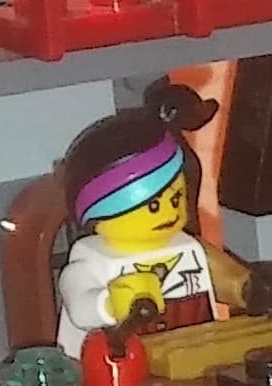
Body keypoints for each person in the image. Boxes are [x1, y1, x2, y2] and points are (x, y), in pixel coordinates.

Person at [52, 84, 239, 354]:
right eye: (153, 206)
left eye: (176, 199)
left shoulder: (186, 247)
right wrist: (111, 303)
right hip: (112, 367)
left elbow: (219, 276)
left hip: (194, 354)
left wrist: (247, 288)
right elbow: (80, 306)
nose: (169, 212)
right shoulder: (91, 259)